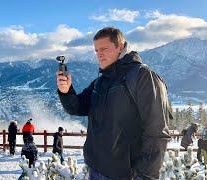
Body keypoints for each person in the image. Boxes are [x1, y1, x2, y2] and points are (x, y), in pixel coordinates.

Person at [56, 27, 171, 179]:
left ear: (121, 47)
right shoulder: (100, 81)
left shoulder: (143, 77)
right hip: (96, 169)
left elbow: (157, 132)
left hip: (125, 174)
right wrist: (66, 91)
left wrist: (145, 176)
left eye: (104, 48)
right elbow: (76, 107)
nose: (99, 54)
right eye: (96, 50)